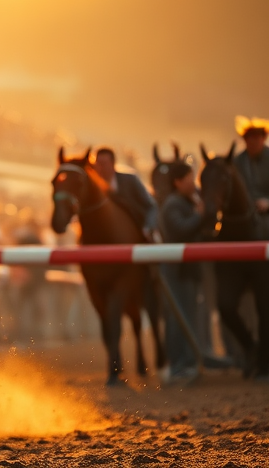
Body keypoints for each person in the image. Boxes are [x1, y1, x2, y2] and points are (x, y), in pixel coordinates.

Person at [158, 161, 205, 383]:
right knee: (178, 319)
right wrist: (198, 215)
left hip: (186, 270)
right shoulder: (173, 205)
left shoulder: (183, 202)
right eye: (189, 179)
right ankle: (178, 365)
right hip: (178, 271)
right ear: (178, 182)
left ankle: (187, 362)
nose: (193, 184)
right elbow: (181, 230)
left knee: (187, 316)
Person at [93, 147, 159, 240]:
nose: (100, 168)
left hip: (138, 229)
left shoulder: (130, 180)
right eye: (97, 164)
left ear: (113, 164)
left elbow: (150, 206)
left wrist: (149, 227)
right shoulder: (94, 186)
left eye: (103, 164)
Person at [234, 116, 269, 238]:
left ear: (264, 138)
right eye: (248, 138)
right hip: (245, 214)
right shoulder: (238, 162)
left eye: (255, 138)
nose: (251, 142)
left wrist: (268, 203)